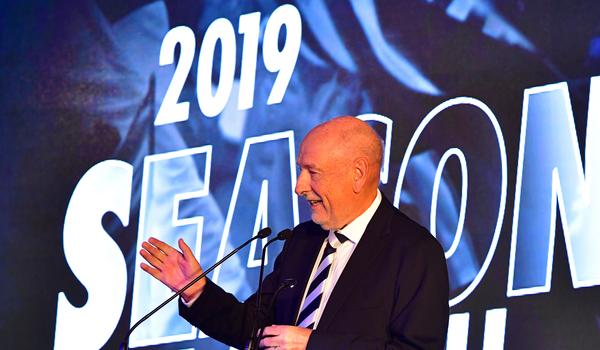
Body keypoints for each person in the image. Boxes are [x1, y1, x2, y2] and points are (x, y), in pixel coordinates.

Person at [140, 116, 449, 349]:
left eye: (312, 172)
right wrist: (197, 292)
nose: (299, 187)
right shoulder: (303, 241)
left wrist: (314, 345)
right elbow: (256, 330)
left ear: (357, 175)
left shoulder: (414, 252)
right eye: (301, 170)